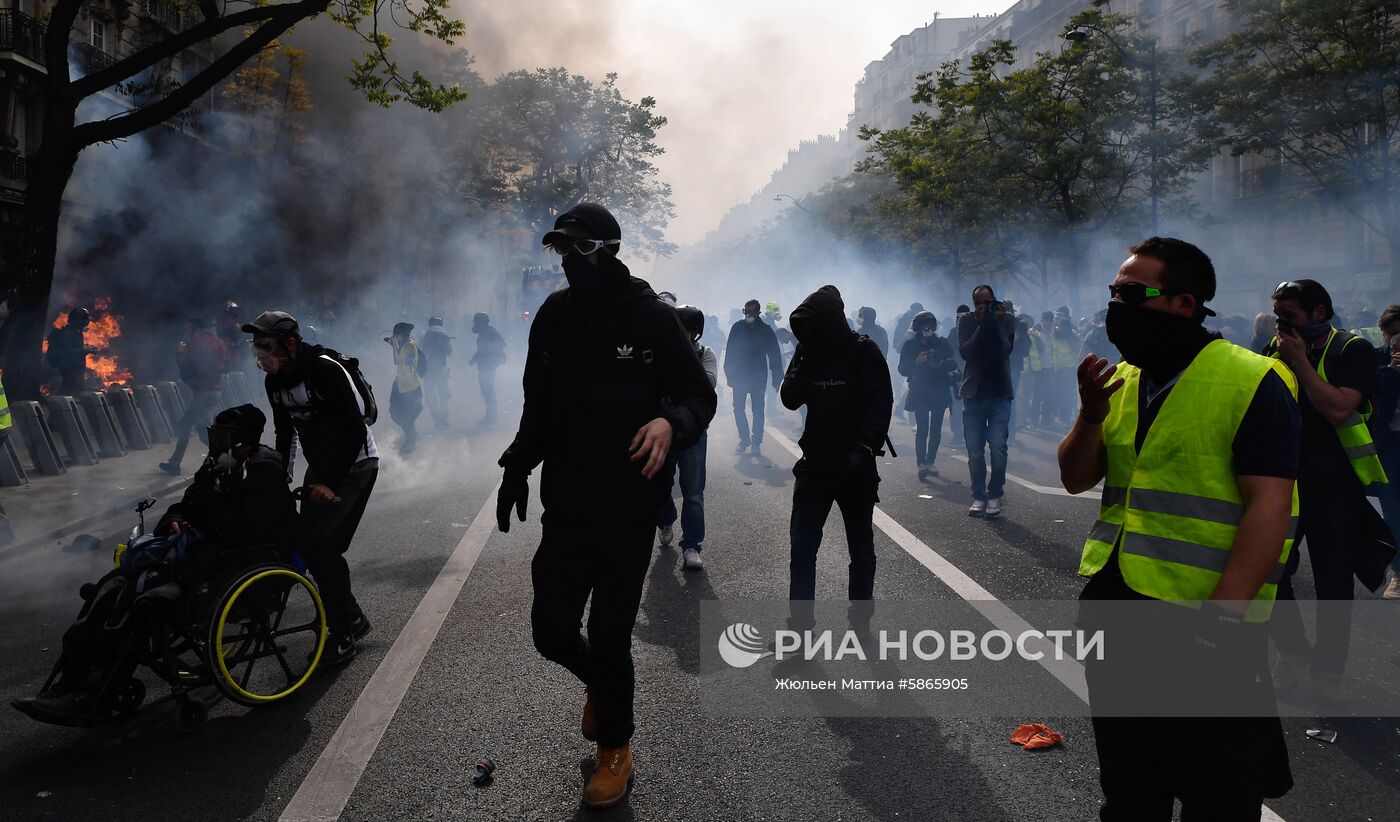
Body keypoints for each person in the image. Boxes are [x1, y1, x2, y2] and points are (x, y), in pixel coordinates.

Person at [1059, 237, 1297, 820]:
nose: (1115, 305)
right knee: (1130, 790)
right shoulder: (1123, 380)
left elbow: (1270, 507)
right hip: (1119, 609)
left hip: (1205, 623)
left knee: (1217, 795)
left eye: (1131, 294)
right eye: (1114, 292)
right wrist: (1090, 414)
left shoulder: (1252, 380)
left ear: (1184, 303)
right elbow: (1075, 477)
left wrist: (1223, 621)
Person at [496, 203, 715, 809]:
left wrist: (671, 423)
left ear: (610, 250)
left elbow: (699, 396)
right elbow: (537, 404)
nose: (570, 260)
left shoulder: (652, 318)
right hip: (566, 502)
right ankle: (602, 684)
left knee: (610, 634)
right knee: (551, 632)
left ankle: (615, 748)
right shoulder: (554, 315)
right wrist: (517, 465)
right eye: (562, 249)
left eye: (582, 248)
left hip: (629, 505)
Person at [12, 404, 298, 725]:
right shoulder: (217, 466)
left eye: (222, 437)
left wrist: (211, 493)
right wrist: (175, 519)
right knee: (109, 590)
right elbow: (187, 504)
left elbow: (243, 532)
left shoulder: (264, 470)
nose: (215, 443)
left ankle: (97, 692)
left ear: (244, 444)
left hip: (234, 565)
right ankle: (69, 681)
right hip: (194, 558)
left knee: (142, 603)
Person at [1266, 279, 1383, 699]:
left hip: (1335, 485)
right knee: (1269, 571)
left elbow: (1338, 408)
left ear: (1319, 313)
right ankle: (1293, 650)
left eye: (1290, 316)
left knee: (1334, 582)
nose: (1282, 325)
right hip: (1283, 482)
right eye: (1278, 316)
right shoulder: (1273, 350)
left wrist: (1300, 362)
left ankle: (1328, 671)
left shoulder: (1352, 349)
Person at [245, 310, 378, 668]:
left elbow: (355, 430)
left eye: (267, 347)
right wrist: (279, 478)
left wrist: (330, 484)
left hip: (355, 465)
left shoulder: (324, 370)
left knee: (324, 550)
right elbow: (285, 432)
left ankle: (342, 636)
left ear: (290, 344)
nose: (262, 356)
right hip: (320, 469)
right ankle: (352, 617)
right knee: (304, 545)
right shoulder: (275, 383)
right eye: (257, 348)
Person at [781, 285, 893, 611]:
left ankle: (861, 616)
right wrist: (805, 359)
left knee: (861, 547)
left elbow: (880, 403)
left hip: (855, 465)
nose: (810, 333)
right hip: (815, 463)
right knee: (802, 547)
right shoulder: (807, 350)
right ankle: (800, 624)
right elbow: (789, 399)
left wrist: (864, 446)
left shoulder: (863, 350)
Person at [658, 305, 716, 571]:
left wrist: (686, 357)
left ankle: (691, 545)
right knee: (660, 486)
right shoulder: (663, 351)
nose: (686, 335)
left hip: (694, 434)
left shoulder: (705, 354)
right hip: (666, 430)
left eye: (690, 331)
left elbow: (708, 382)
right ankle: (666, 519)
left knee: (693, 493)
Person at [957, 285, 1016, 519]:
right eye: (978, 303)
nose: (982, 307)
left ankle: (995, 494)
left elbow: (1005, 350)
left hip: (1000, 393)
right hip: (974, 393)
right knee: (974, 451)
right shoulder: (967, 321)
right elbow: (966, 352)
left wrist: (996, 322)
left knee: (998, 447)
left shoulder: (1007, 318)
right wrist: (982, 325)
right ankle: (979, 495)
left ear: (994, 300)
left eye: (987, 303)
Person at [160, 318, 229, 475]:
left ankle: (227, 458)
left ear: (196, 328)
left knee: (205, 434)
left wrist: (180, 352)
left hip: (203, 392)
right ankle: (174, 463)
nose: (187, 331)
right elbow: (227, 365)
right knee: (185, 426)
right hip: (214, 391)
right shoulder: (219, 342)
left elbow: (186, 368)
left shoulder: (197, 343)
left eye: (189, 328)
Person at [898, 311, 954, 480]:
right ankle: (921, 463)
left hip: (939, 390)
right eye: (925, 326)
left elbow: (953, 363)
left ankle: (930, 461)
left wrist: (941, 361)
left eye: (931, 326)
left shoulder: (942, 344)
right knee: (922, 429)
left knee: (936, 429)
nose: (929, 329)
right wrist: (917, 361)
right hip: (920, 391)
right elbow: (902, 369)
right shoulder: (910, 346)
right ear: (918, 327)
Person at [724, 299, 783, 457]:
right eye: (746, 312)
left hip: (758, 377)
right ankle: (744, 439)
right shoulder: (737, 328)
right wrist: (729, 374)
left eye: (751, 312)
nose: (748, 315)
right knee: (738, 409)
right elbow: (730, 352)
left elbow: (775, 355)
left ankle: (756, 443)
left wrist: (777, 377)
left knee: (758, 411)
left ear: (758, 313)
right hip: (739, 376)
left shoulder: (766, 331)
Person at [1374, 305, 1400, 599]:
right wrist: (1391, 372)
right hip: (1389, 444)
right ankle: (1399, 573)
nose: (1396, 339)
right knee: (1393, 511)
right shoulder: (1378, 360)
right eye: (1391, 333)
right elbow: (1372, 401)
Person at [386, 321, 425, 454]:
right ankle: (412, 436)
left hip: (410, 387)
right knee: (396, 412)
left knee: (406, 415)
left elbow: (397, 361)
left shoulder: (409, 345)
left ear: (401, 335)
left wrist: (393, 346)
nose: (395, 337)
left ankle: (411, 441)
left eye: (396, 335)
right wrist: (395, 345)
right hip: (402, 385)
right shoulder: (405, 344)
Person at [469, 313, 506, 426]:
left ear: (482, 323)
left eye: (476, 322)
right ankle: (490, 416)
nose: (475, 325)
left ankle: (491, 417)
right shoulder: (483, 333)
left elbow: (501, 344)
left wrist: (490, 351)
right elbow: (481, 350)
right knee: (486, 392)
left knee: (488, 392)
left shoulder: (491, 332)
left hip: (489, 366)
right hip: (485, 365)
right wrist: (474, 359)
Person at [46, 306, 93, 395]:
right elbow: (67, 353)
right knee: (71, 393)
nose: (87, 321)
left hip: (76, 373)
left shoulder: (77, 332)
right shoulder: (66, 333)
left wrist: (86, 349)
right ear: (78, 320)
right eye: (85, 319)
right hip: (70, 373)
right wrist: (83, 350)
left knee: (73, 393)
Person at [419, 315, 454, 428]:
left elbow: (421, 352)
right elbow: (449, 352)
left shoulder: (425, 335)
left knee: (430, 395)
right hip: (441, 369)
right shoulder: (444, 335)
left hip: (428, 371)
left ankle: (436, 419)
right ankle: (444, 418)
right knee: (443, 394)